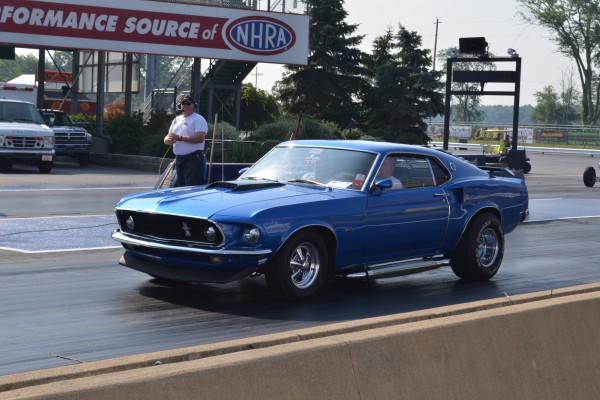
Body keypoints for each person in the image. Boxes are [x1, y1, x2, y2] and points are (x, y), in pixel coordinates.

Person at [164, 95, 208, 187]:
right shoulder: (177, 119)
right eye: (183, 103)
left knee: (192, 187)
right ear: (180, 106)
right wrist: (167, 140)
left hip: (193, 159)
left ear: (193, 106)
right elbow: (168, 136)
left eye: (188, 103)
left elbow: (200, 138)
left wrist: (180, 138)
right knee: (181, 187)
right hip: (179, 158)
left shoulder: (198, 119)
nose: (185, 105)